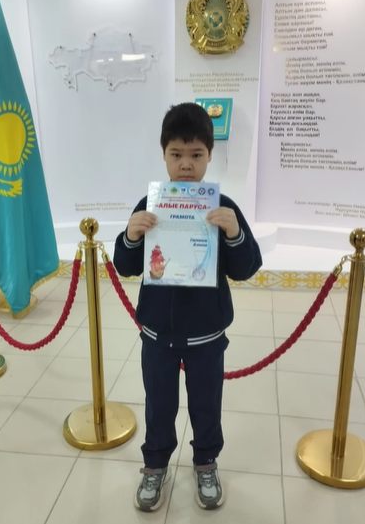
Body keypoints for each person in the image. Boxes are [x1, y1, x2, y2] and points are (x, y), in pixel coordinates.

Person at [113, 102, 262, 512]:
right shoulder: (149, 204)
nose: (185, 164)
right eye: (176, 153)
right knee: (159, 403)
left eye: (196, 154)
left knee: (206, 404)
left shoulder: (222, 206)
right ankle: (155, 464)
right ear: (163, 154)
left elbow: (246, 268)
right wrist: (130, 236)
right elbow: (125, 265)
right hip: (157, 334)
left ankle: (206, 462)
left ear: (210, 155)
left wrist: (234, 233)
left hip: (207, 335)